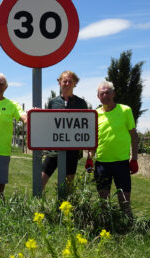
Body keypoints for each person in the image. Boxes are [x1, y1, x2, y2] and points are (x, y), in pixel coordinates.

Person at [85, 81, 138, 218]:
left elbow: (133, 136)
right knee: (103, 202)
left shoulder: (125, 110)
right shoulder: (95, 115)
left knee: (124, 201)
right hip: (102, 163)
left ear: (113, 93)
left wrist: (134, 159)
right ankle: (106, 227)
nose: (105, 95)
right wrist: (90, 158)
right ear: (98, 97)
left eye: (108, 92)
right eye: (102, 93)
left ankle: (128, 227)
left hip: (121, 163)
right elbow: (93, 140)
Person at [41, 70, 88, 191]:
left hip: (72, 150)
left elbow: (85, 125)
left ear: (74, 84)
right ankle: (38, 207)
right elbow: (48, 124)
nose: (67, 84)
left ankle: (64, 208)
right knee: (40, 180)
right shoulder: (52, 102)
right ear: (59, 83)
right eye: (64, 81)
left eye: (70, 81)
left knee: (68, 186)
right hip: (54, 149)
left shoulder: (81, 103)